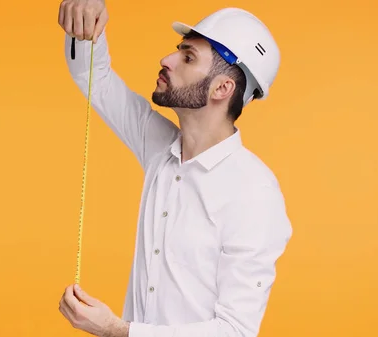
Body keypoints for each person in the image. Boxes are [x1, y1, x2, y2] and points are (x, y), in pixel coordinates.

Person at [57, 1, 293, 337]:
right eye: (177, 51)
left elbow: (235, 331)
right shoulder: (160, 149)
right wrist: (86, 21)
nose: (166, 60)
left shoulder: (254, 192)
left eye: (188, 57)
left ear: (222, 88)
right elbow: (95, 78)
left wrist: (117, 330)